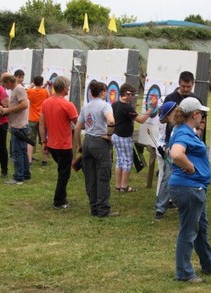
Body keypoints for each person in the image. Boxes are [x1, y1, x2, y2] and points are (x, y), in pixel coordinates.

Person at [167, 97, 211, 282]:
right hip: (189, 187)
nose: (202, 116)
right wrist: (190, 167)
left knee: (200, 228)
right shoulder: (184, 132)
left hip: (192, 187)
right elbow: (176, 153)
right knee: (189, 231)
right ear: (194, 114)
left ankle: (208, 263)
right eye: (201, 113)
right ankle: (184, 272)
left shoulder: (183, 130)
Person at [155, 71, 195, 221]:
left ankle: (183, 205)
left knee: (187, 174)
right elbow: (162, 118)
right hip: (172, 141)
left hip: (189, 142)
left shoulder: (195, 100)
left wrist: (198, 132)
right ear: (179, 83)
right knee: (167, 175)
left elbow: (201, 118)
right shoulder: (170, 98)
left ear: (193, 84)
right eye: (183, 86)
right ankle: (160, 208)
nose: (186, 89)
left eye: (189, 86)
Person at [76, 80, 117, 217]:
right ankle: (103, 209)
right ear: (103, 92)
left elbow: (77, 128)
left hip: (87, 141)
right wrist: (109, 135)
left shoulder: (86, 107)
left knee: (90, 177)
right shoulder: (105, 105)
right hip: (100, 142)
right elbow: (111, 121)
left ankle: (93, 208)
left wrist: (80, 145)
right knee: (103, 176)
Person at [38, 75, 78, 210]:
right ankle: (59, 200)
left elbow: (41, 125)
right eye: (68, 87)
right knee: (64, 174)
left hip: (51, 144)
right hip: (64, 145)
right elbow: (79, 124)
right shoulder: (68, 105)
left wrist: (44, 141)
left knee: (62, 171)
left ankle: (61, 197)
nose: (69, 89)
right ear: (64, 88)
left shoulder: (46, 102)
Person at [112, 82, 158, 193]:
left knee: (120, 161)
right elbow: (141, 120)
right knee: (127, 161)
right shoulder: (127, 108)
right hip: (123, 137)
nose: (132, 97)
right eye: (131, 94)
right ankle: (124, 186)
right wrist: (151, 108)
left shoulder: (116, 104)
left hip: (116, 135)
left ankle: (118, 186)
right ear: (125, 94)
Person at [0, 70, 31, 184]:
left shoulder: (18, 89)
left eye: (4, 84)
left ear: (8, 82)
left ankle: (18, 177)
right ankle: (25, 174)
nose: (4, 86)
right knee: (22, 151)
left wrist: (8, 110)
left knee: (17, 152)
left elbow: (24, 105)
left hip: (19, 126)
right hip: (19, 125)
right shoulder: (16, 90)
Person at [26, 75, 50, 166]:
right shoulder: (45, 91)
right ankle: (44, 160)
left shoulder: (30, 91)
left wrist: (31, 85)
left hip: (32, 118)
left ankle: (29, 160)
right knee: (43, 140)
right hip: (42, 118)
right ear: (42, 82)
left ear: (34, 82)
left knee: (30, 140)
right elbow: (48, 99)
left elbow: (26, 91)